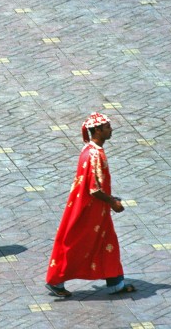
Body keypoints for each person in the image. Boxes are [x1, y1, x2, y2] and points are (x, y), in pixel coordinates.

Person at [45, 112, 136, 297]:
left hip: (96, 210)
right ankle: (56, 280)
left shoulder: (89, 150)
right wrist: (113, 202)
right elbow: (94, 189)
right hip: (90, 211)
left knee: (108, 243)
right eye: (107, 127)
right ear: (98, 130)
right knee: (79, 244)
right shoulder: (95, 155)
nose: (111, 130)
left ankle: (116, 283)